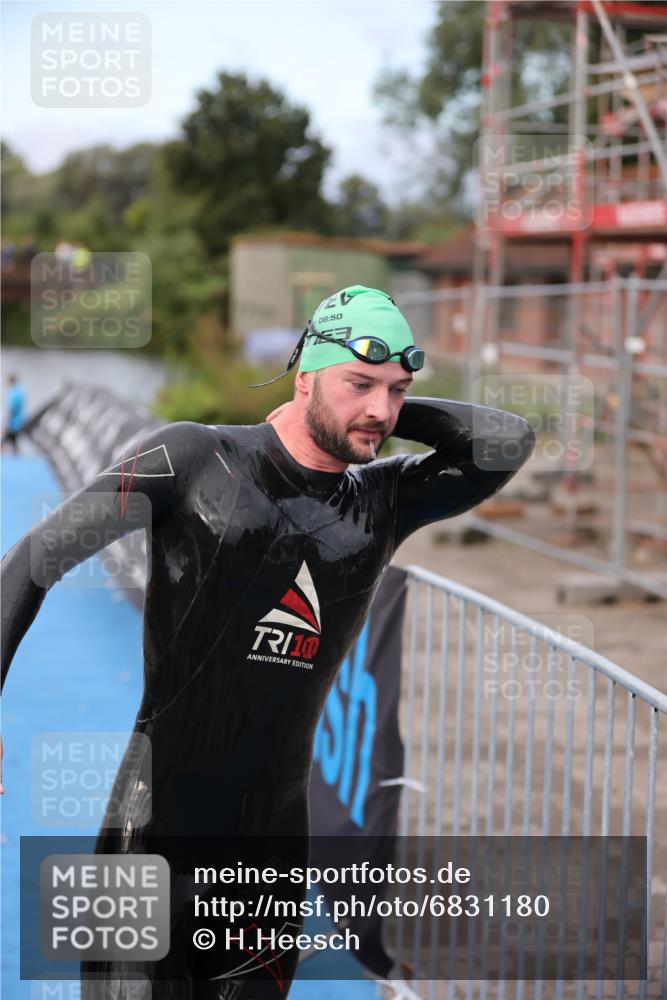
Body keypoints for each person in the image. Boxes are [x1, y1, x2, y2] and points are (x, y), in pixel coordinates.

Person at [1, 285, 535, 998]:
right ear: (304, 372)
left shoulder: (383, 501)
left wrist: (378, 399)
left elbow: (508, 441)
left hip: (269, 866)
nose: (380, 409)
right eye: (359, 384)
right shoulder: (192, 459)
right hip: (147, 841)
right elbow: (35, 559)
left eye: (397, 391)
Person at [1, 373, 26, 454]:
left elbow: (11, 410)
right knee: (14, 443)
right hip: (19, 422)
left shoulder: (13, 393)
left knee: (4, 441)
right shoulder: (20, 392)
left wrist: (6, 425)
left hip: (13, 423)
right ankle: (16, 457)